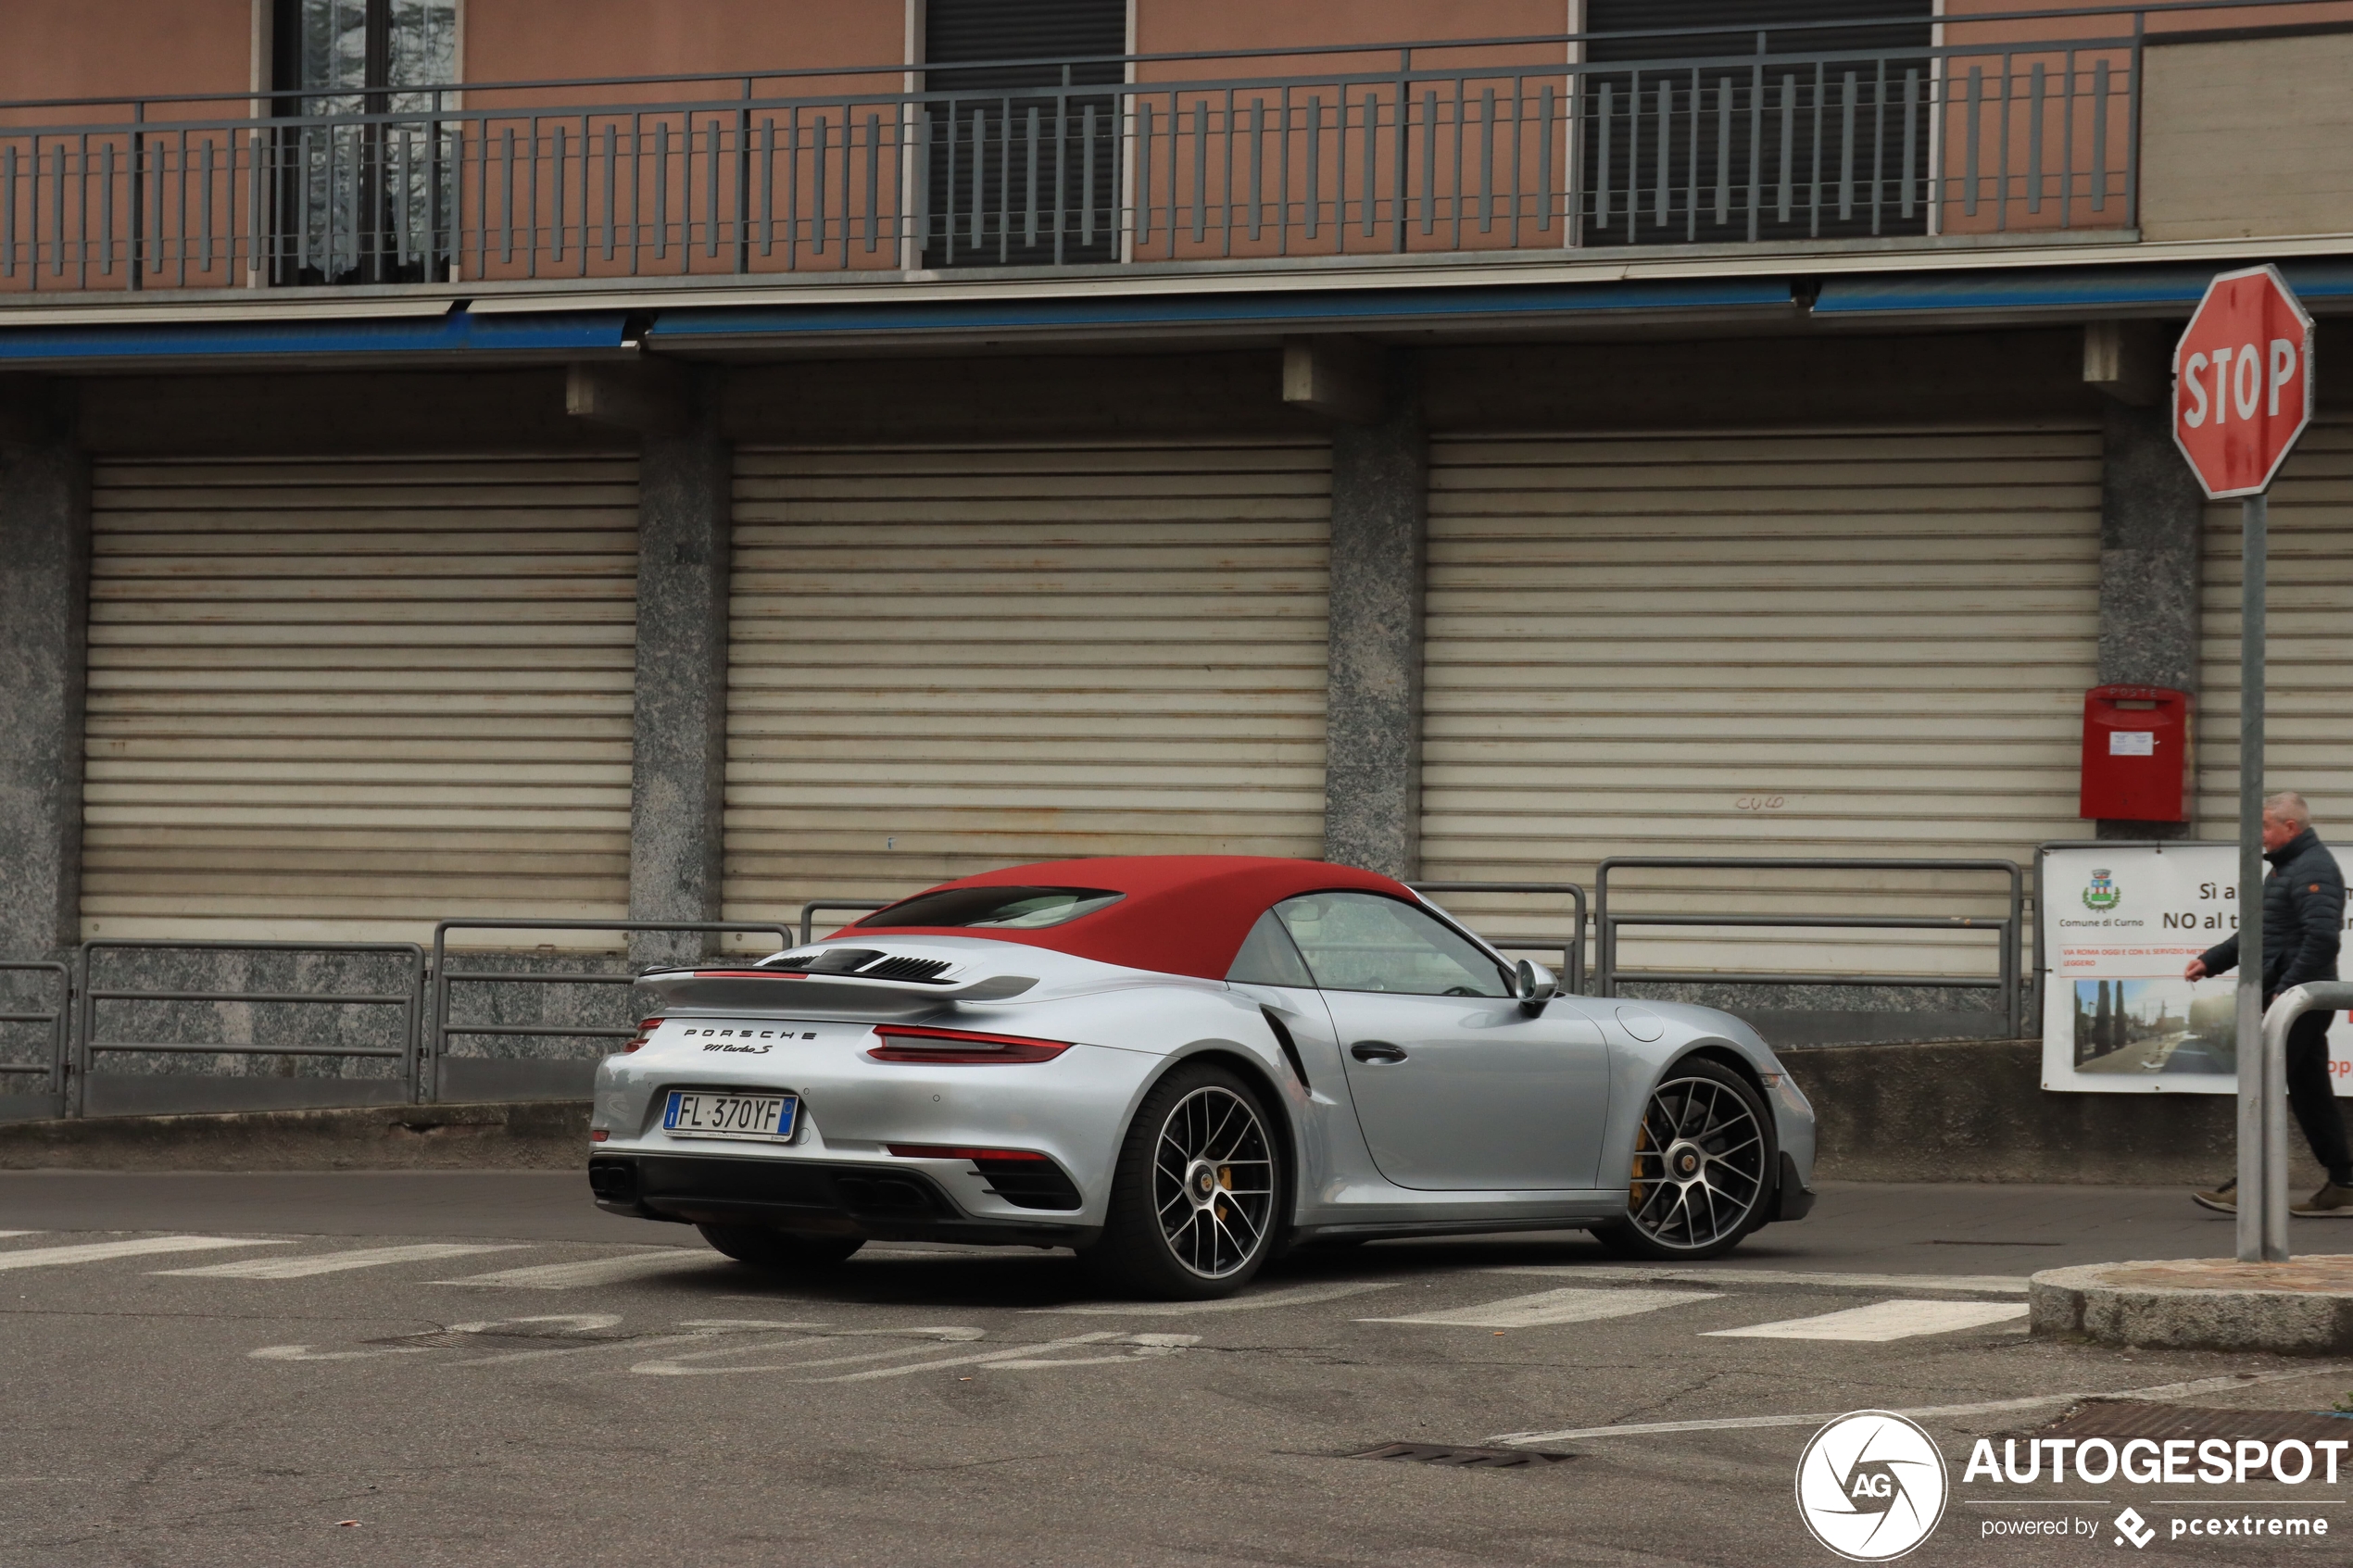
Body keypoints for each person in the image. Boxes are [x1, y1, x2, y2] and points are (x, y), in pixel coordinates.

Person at [2187, 792, 2352, 1216]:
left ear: (2289, 828)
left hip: (2300, 1002)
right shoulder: (2286, 871)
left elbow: (2323, 939)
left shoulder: (2312, 869)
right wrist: (2211, 961)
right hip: (2297, 1001)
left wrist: (2290, 989)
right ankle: (2345, 1183)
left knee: (2260, 1087)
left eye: (2265, 828)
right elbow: (2258, 934)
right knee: (2311, 1093)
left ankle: (2252, 1187)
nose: (2259, 836)